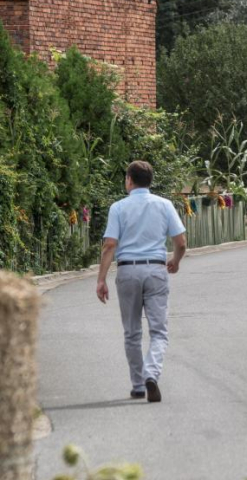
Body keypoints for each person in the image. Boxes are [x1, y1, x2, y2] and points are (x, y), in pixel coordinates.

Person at [96, 161, 187, 403]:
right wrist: (175, 262)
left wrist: (101, 279)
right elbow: (181, 243)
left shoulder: (118, 208)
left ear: (129, 180)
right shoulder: (165, 205)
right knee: (158, 331)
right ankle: (151, 374)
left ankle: (138, 385)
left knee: (132, 332)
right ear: (150, 181)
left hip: (127, 271)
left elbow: (110, 245)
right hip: (156, 270)